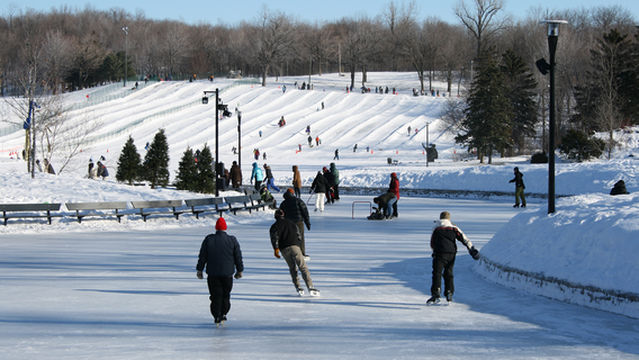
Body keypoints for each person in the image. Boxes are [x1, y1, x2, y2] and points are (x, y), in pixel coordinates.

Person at [196, 217, 244, 327]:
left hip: (213, 274)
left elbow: (202, 256)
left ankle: (216, 315)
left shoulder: (209, 239)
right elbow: (238, 256)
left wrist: (200, 269)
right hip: (227, 274)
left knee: (215, 296)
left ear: (216, 228)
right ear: (225, 228)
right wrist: (239, 270)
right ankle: (223, 313)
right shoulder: (232, 240)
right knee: (226, 295)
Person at [427, 211, 480, 304]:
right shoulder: (454, 228)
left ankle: (436, 293)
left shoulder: (436, 228)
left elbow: (432, 242)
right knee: (448, 273)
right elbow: (464, 239)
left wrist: (434, 251)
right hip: (451, 254)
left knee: (437, 273)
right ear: (449, 219)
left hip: (439, 253)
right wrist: (472, 249)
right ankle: (449, 292)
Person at [270, 209, 319, 296]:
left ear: (275, 216)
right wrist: (298, 244)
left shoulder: (274, 226)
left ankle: (298, 287)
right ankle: (310, 286)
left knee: (292, 268)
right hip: (295, 246)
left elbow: (274, 238)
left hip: (284, 249)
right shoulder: (291, 223)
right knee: (303, 267)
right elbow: (299, 234)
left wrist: (276, 249)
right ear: (283, 215)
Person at [279, 188, 311, 258]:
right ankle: (302, 253)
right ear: (292, 194)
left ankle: (291, 253)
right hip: (298, 222)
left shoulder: (283, 203)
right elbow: (305, 212)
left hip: (288, 224)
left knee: (291, 238)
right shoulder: (298, 200)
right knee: (300, 238)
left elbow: (280, 215)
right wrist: (307, 222)